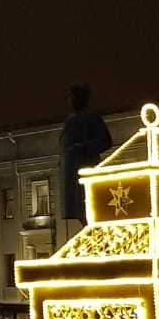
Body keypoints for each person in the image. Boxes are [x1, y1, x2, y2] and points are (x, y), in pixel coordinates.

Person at [58, 83, 112, 238]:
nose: (71, 101)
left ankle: (98, 238)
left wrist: (81, 147)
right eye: (70, 98)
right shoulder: (70, 120)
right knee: (80, 211)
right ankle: (94, 236)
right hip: (72, 172)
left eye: (74, 97)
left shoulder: (92, 118)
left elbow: (105, 141)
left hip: (86, 170)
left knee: (89, 207)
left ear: (82, 99)